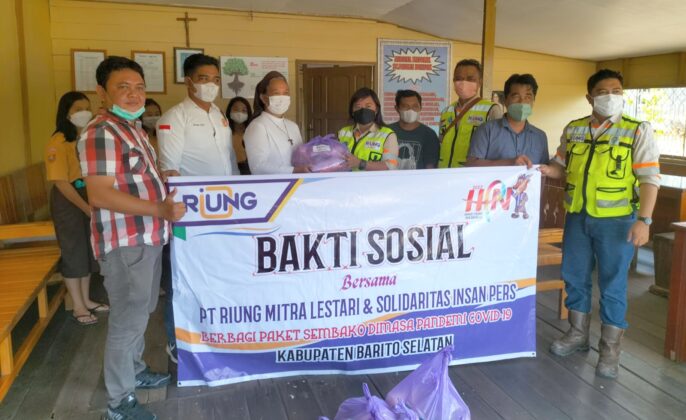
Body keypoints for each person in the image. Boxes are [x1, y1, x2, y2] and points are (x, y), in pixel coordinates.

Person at [78, 56, 186, 420]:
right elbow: (99, 193)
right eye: (123, 87)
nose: (134, 94)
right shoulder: (101, 132)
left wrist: (161, 178)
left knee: (141, 313)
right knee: (127, 321)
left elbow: (132, 178)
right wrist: (159, 208)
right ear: (102, 92)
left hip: (148, 238)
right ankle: (119, 402)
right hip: (126, 244)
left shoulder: (133, 129)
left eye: (139, 87)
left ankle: (135, 371)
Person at [539, 69, 660, 379]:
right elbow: (560, 166)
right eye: (603, 91)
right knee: (574, 276)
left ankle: (609, 349)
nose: (610, 96)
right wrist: (545, 170)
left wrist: (644, 220)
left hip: (617, 222)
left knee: (613, 283)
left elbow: (649, 179)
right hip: (578, 217)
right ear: (589, 97)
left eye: (616, 90)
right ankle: (578, 334)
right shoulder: (575, 129)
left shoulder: (637, 130)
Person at [45, 91, 107, 326]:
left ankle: (86, 299)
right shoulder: (58, 142)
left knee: (88, 249)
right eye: (78, 109)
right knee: (73, 250)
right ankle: (78, 306)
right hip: (68, 200)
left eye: (87, 108)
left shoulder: (83, 137)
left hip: (86, 195)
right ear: (66, 113)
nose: (84, 113)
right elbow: (61, 183)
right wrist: (86, 208)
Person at [158, 53, 238, 178]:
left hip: (227, 187)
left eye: (216, 80)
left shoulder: (219, 113)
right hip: (195, 189)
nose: (212, 85)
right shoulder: (174, 117)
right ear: (188, 82)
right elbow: (170, 169)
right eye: (204, 79)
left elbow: (229, 154)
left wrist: (237, 181)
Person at [466, 74, 549, 167]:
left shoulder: (540, 137)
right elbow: (471, 164)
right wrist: (509, 162)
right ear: (505, 100)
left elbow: (544, 170)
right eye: (516, 96)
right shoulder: (486, 130)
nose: (522, 102)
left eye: (528, 97)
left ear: (533, 101)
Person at [438, 59, 503, 168]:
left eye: (470, 79)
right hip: (444, 173)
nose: (463, 82)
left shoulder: (491, 110)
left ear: (480, 82)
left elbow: (497, 149)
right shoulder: (446, 111)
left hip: (471, 174)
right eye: (458, 78)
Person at [244, 71, 306, 174]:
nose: (282, 98)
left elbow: (302, 156)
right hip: (274, 184)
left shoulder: (293, 126)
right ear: (263, 98)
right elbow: (257, 166)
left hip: (298, 182)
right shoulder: (257, 126)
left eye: (286, 93)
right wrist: (294, 170)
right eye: (276, 93)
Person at [338, 87, 399, 171]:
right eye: (358, 106)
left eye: (368, 106)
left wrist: (360, 163)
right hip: (344, 179)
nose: (363, 110)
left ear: (376, 109)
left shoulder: (387, 135)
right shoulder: (343, 132)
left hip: (373, 180)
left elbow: (391, 165)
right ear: (352, 111)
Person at [388, 89, 439, 170]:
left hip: (418, 178)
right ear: (397, 108)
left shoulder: (429, 134)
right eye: (405, 106)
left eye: (415, 106)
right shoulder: (387, 131)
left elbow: (430, 167)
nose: (411, 110)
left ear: (420, 108)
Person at [226, 96, 253, 174]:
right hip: (229, 168)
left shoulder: (252, 131)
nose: (239, 113)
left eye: (244, 110)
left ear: (248, 113)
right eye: (235, 109)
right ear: (229, 111)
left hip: (248, 169)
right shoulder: (224, 131)